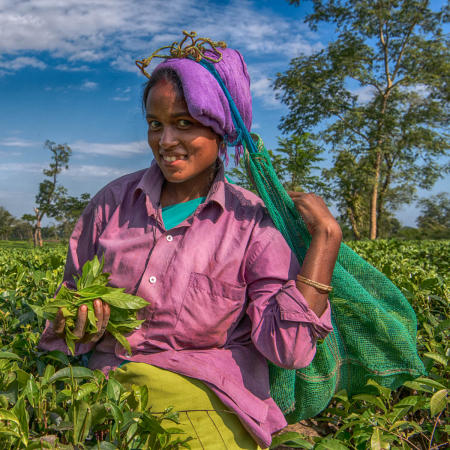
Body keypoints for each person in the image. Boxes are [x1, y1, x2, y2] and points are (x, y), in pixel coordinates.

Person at [39, 33, 342, 449]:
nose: (166, 142)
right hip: (105, 391)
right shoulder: (112, 203)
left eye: (184, 124)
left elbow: (288, 351)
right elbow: (62, 316)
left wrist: (325, 241)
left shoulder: (252, 224)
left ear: (220, 129)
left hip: (207, 396)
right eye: (155, 124)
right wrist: (79, 318)